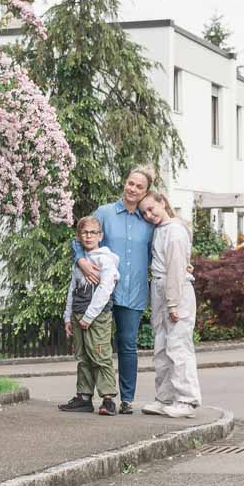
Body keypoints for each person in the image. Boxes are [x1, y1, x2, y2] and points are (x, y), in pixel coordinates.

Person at [72, 168, 156, 414]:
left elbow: (158, 251)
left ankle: (126, 399)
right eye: (131, 183)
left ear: (146, 191)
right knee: (95, 345)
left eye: (139, 187)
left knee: (128, 344)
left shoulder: (148, 220)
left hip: (135, 291)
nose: (133, 189)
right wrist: (81, 261)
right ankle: (89, 396)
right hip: (102, 293)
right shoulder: (105, 213)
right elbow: (79, 238)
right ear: (125, 183)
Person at [137, 192, 202, 418]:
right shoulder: (161, 230)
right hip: (161, 288)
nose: (149, 215)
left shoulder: (174, 231)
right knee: (162, 346)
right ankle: (165, 397)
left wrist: (173, 304)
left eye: (151, 209)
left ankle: (187, 400)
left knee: (178, 346)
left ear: (162, 202)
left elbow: (175, 269)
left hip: (175, 291)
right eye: (144, 212)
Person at [59, 216, 121, 415]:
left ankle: (108, 399)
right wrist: (68, 317)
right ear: (79, 236)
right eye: (84, 232)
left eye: (93, 232)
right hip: (78, 314)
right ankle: (84, 397)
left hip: (97, 317)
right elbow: (72, 289)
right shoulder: (80, 262)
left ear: (100, 236)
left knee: (100, 356)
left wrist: (89, 316)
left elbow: (105, 290)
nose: (88, 236)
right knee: (83, 357)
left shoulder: (106, 260)